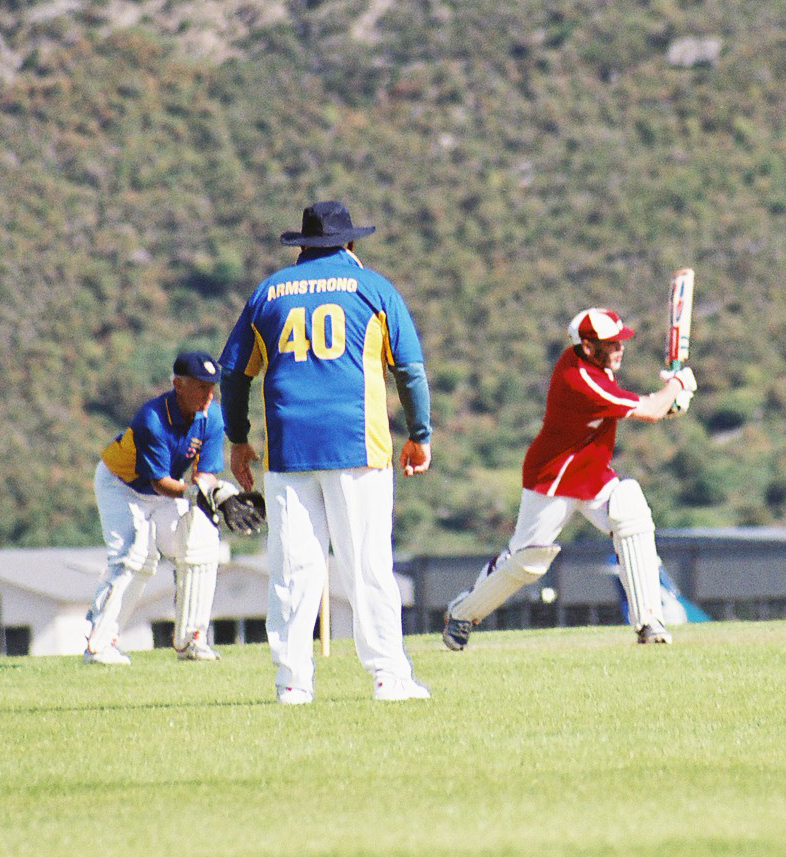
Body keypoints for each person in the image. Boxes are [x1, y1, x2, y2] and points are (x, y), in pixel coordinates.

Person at [219, 200, 433, 704]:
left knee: (294, 570)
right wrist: (419, 434)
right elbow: (409, 370)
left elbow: (233, 373)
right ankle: (387, 676)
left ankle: (292, 682)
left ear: (301, 247)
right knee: (368, 566)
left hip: (289, 449)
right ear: (350, 244)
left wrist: (237, 437)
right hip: (357, 445)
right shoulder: (372, 287)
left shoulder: (268, 293)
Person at [442, 307, 697, 650]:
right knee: (527, 562)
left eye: (621, 342)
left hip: (590, 475)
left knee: (630, 510)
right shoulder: (580, 379)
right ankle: (462, 613)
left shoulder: (595, 368)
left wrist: (672, 402)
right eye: (612, 344)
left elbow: (647, 408)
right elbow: (648, 410)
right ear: (589, 348)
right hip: (553, 478)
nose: (620, 349)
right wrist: (676, 388)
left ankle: (649, 623)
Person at [81, 351, 229, 665]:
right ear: (178, 384)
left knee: (200, 543)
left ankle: (192, 640)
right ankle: (99, 645)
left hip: (164, 492)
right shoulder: (153, 418)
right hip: (121, 485)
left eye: (212, 386)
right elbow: (161, 482)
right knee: (136, 556)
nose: (208, 394)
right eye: (201, 386)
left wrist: (213, 492)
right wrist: (195, 494)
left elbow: (204, 473)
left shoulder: (212, 417)